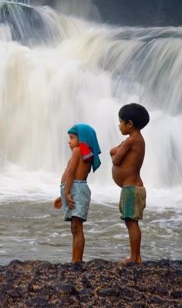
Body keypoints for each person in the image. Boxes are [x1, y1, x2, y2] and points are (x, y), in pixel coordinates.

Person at [54, 123, 102, 263]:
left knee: (76, 227)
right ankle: (75, 258)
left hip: (76, 189)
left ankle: (77, 260)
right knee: (75, 227)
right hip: (73, 189)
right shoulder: (84, 152)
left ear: (83, 139)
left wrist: (67, 192)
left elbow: (71, 172)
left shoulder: (78, 151)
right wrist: (63, 196)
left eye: (72, 137)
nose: (69, 141)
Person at [109, 103, 150, 264]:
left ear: (129, 123)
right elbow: (115, 150)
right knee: (130, 221)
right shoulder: (135, 140)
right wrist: (115, 151)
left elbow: (116, 158)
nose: (119, 126)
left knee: (131, 223)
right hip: (132, 188)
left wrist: (113, 156)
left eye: (120, 122)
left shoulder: (131, 141)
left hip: (131, 189)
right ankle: (135, 255)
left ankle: (135, 256)